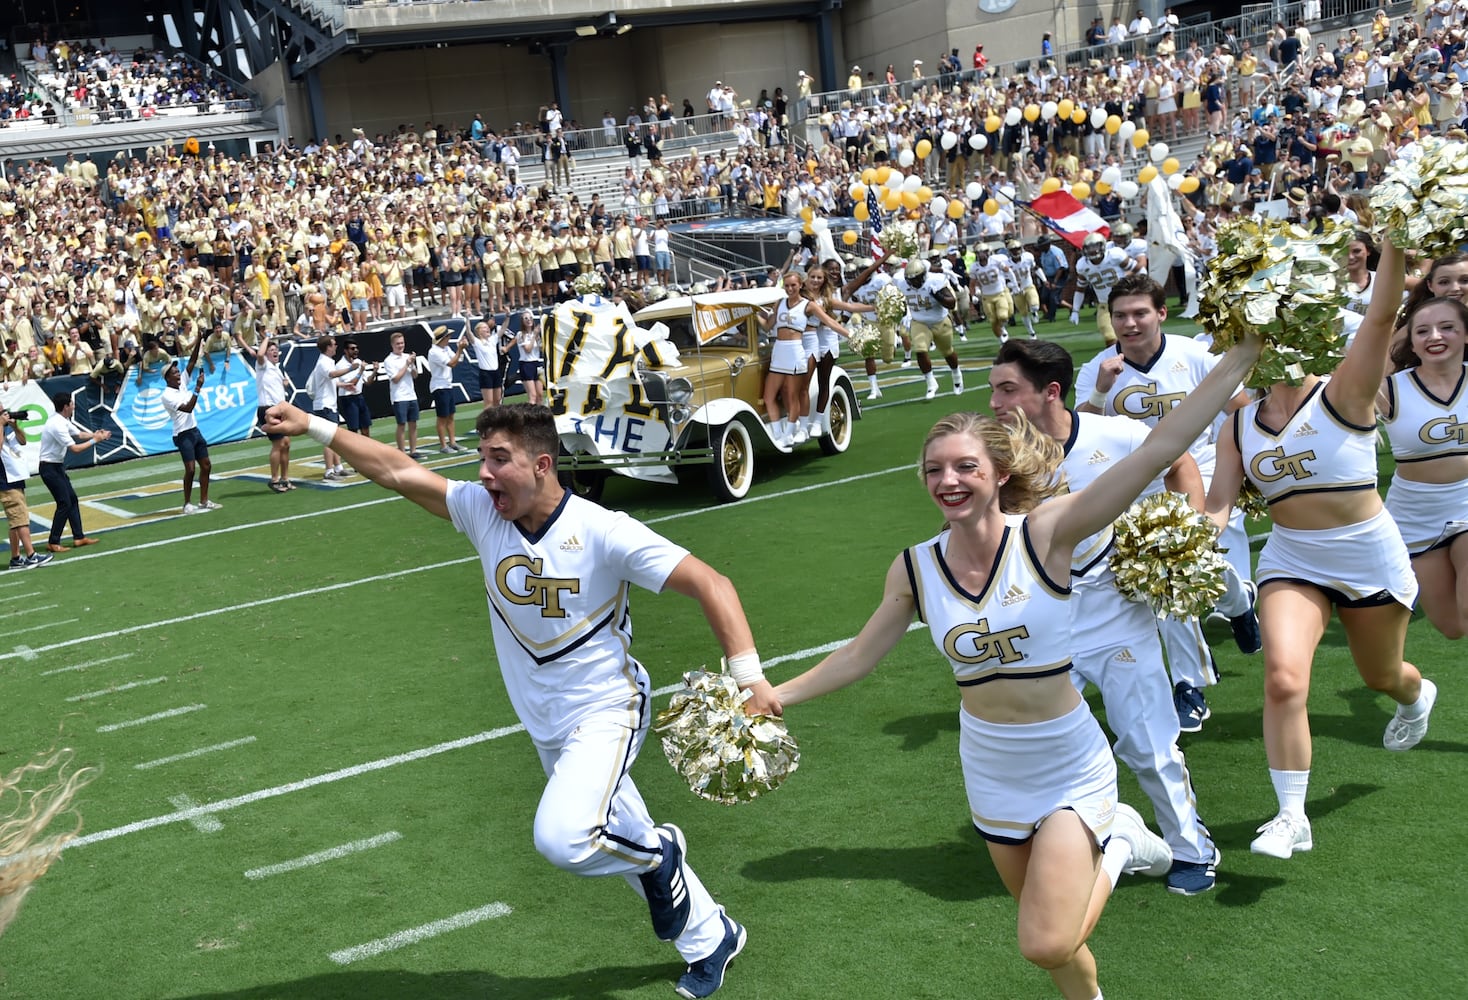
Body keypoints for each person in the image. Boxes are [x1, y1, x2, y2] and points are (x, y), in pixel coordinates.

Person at [772, 328, 1262, 998]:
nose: (948, 480)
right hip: (992, 766)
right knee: (1060, 949)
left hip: (1067, 759)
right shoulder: (916, 567)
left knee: (1045, 939)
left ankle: (1120, 839)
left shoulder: (1046, 533)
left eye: (966, 466)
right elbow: (860, 655)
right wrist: (774, 694)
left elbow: (1158, 450)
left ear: (1000, 473)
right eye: (935, 469)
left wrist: (1240, 356)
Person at [262, 401, 773, 1000]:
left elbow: (712, 583)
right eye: (481, 458)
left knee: (568, 838)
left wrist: (748, 677)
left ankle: (664, 854)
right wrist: (317, 428)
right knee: (618, 831)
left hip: (607, 710)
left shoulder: (604, 531)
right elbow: (398, 471)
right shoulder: (484, 514)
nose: (483, 473)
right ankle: (711, 938)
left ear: (542, 464)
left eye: (498, 459)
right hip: (543, 722)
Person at [989, 338, 1249, 896]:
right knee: (1031, 741)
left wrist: (1187, 528)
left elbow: (1177, 462)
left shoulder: (1113, 433)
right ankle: (1070, 835)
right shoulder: (996, 458)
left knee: (1146, 746)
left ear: (1050, 392)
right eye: (992, 389)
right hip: (1040, 627)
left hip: (1115, 617)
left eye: (1006, 389)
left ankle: (1190, 848)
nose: (994, 401)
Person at [1204, 240, 1436, 860]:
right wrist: (1192, 544)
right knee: (1282, 680)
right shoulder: (1238, 423)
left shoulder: (1344, 391)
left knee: (1381, 674)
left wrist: (1391, 240)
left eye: (1281, 324)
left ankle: (1415, 695)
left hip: (1367, 554)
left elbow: (1385, 318)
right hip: (1292, 559)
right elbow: (1219, 502)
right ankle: (1290, 815)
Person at [1075, 275, 1259, 733]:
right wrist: (1100, 390)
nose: (1129, 323)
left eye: (1140, 313)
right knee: (1166, 577)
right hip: (1136, 488)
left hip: (1200, 473)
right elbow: (1082, 434)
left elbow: (1240, 407)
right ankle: (1232, 616)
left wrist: (1245, 460)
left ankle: (1192, 677)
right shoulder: (1098, 367)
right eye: (1120, 315)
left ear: (1161, 313)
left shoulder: (1193, 354)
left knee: (1179, 567)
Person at [1382, 294, 1468, 640]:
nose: (1435, 336)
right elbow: (1352, 371)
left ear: (1466, 334)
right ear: (1411, 342)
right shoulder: (1388, 388)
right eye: (1423, 331)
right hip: (1416, 515)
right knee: (1452, 627)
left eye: (1448, 328)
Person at [38, 392, 109, 551]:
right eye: (72, 403)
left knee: (72, 499)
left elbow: (79, 434)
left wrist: (97, 435)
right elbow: (75, 449)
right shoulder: (57, 424)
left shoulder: (63, 420)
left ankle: (79, 537)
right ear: (65, 407)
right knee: (64, 503)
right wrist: (95, 440)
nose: (74, 406)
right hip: (49, 468)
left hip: (56, 467)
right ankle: (53, 542)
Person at [160, 346, 219, 514]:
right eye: (175, 373)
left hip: (194, 430)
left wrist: (199, 339)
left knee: (206, 465)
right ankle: (187, 503)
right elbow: (187, 408)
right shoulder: (167, 395)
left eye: (178, 372)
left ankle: (204, 500)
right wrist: (198, 388)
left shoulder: (182, 384)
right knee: (191, 469)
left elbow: (192, 361)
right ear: (168, 377)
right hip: (182, 434)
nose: (179, 374)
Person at [236, 333, 294, 492]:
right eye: (272, 350)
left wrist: (284, 384)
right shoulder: (263, 365)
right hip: (268, 410)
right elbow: (259, 354)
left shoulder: (276, 368)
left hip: (280, 409)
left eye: (276, 350)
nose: (275, 352)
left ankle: (285, 478)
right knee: (278, 444)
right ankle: (274, 480)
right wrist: (267, 337)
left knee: (286, 443)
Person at [901, 259, 964, 400]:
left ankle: (956, 373)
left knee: (948, 352)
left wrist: (938, 295)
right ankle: (931, 383)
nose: (914, 282)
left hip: (940, 321)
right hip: (919, 321)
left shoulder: (935, 281)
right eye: (911, 279)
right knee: (920, 349)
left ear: (923, 275)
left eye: (917, 279)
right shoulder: (900, 283)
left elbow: (951, 303)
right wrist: (904, 313)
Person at [0, 410, 52, 569]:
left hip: (15, 479)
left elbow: (22, 441)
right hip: (5, 482)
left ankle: (16, 558)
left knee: (16, 521)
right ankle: (31, 555)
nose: (5, 413)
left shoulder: (5, 429)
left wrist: (15, 427)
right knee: (21, 518)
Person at [309, 334, 354, 480]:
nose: (336, 346)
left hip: (328, 405)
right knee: (329, 439)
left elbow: (328, 381)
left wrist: (343, 384)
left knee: (334, 438)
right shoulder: (324, 362)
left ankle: (338, 467)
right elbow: (332, 375)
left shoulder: (327, 361)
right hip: (325, 405)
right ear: (328, 347)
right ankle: (329, 471)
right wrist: (350, 369)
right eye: (333, 344)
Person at [383, 331, 425, 458]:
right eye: (398, 344)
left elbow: (415, 375)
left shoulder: (407, 356)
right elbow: (395, 379)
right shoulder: (389, 360)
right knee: (401, 424)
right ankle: (402, 452)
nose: (400, 346)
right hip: (399, 396)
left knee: (413, 423)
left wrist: (411, 364)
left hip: (411, 394)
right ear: (392, 345)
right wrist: (406, 364)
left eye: (402, 343)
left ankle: (413, 450)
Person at [471, 318, 511, 408]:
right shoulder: (477, 342)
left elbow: (503, 328)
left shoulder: (493, 340)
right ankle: (487, 421)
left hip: (496, 372)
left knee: (497, 399)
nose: (487, 329)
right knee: (489, 402)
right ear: (479, 331)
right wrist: (466, 320)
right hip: (486, 373)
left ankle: (497, 421)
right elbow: (469, 333)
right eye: (484, 327)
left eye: (487, 327)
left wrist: (507, 316)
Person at [516, 312, 545, 407]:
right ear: (522, 322)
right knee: (533, 395)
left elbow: (541, 348)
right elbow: (528, 349)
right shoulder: (520, 335)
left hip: (536, 363)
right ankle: (530, 418)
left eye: (530, 318)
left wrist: (541, 336)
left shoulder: (535, 334)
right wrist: (534, 336)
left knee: (540, 394)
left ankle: (541, 416)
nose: (529, 320)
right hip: (526, 364)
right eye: (526, 318)